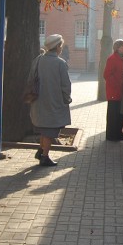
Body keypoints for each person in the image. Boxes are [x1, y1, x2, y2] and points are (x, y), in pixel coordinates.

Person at [29, 34, 72, 167]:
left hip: (38, 101)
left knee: (44, 129)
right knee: (50, 131)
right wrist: (67, 99)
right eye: (61, 45)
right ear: (58, 47)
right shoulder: (60, 63)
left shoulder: (38, 59)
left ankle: (41, 150)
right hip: (54, 102)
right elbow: (66, 85)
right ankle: (44, 156)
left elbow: (31, 78)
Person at [104, 39, 123, 141]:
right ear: (117, 48)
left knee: (120, 114)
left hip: (122, 91)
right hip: (114, 91)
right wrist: (117, 84)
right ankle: (111, 135)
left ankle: (118, 134)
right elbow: (107, 75)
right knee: (113, 114)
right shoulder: (112, 59)